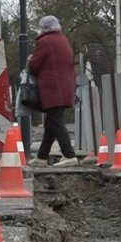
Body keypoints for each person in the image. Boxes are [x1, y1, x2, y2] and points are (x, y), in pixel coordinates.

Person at [26, 15, 79, 167]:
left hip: (53, 88)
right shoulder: (63, 39)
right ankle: (42, 157)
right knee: (51, 122)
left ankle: (69, 155)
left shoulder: (45, 42)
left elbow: (34, 66)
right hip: (64, 85)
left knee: (56, 121)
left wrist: (30, 60)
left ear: (43, 28)